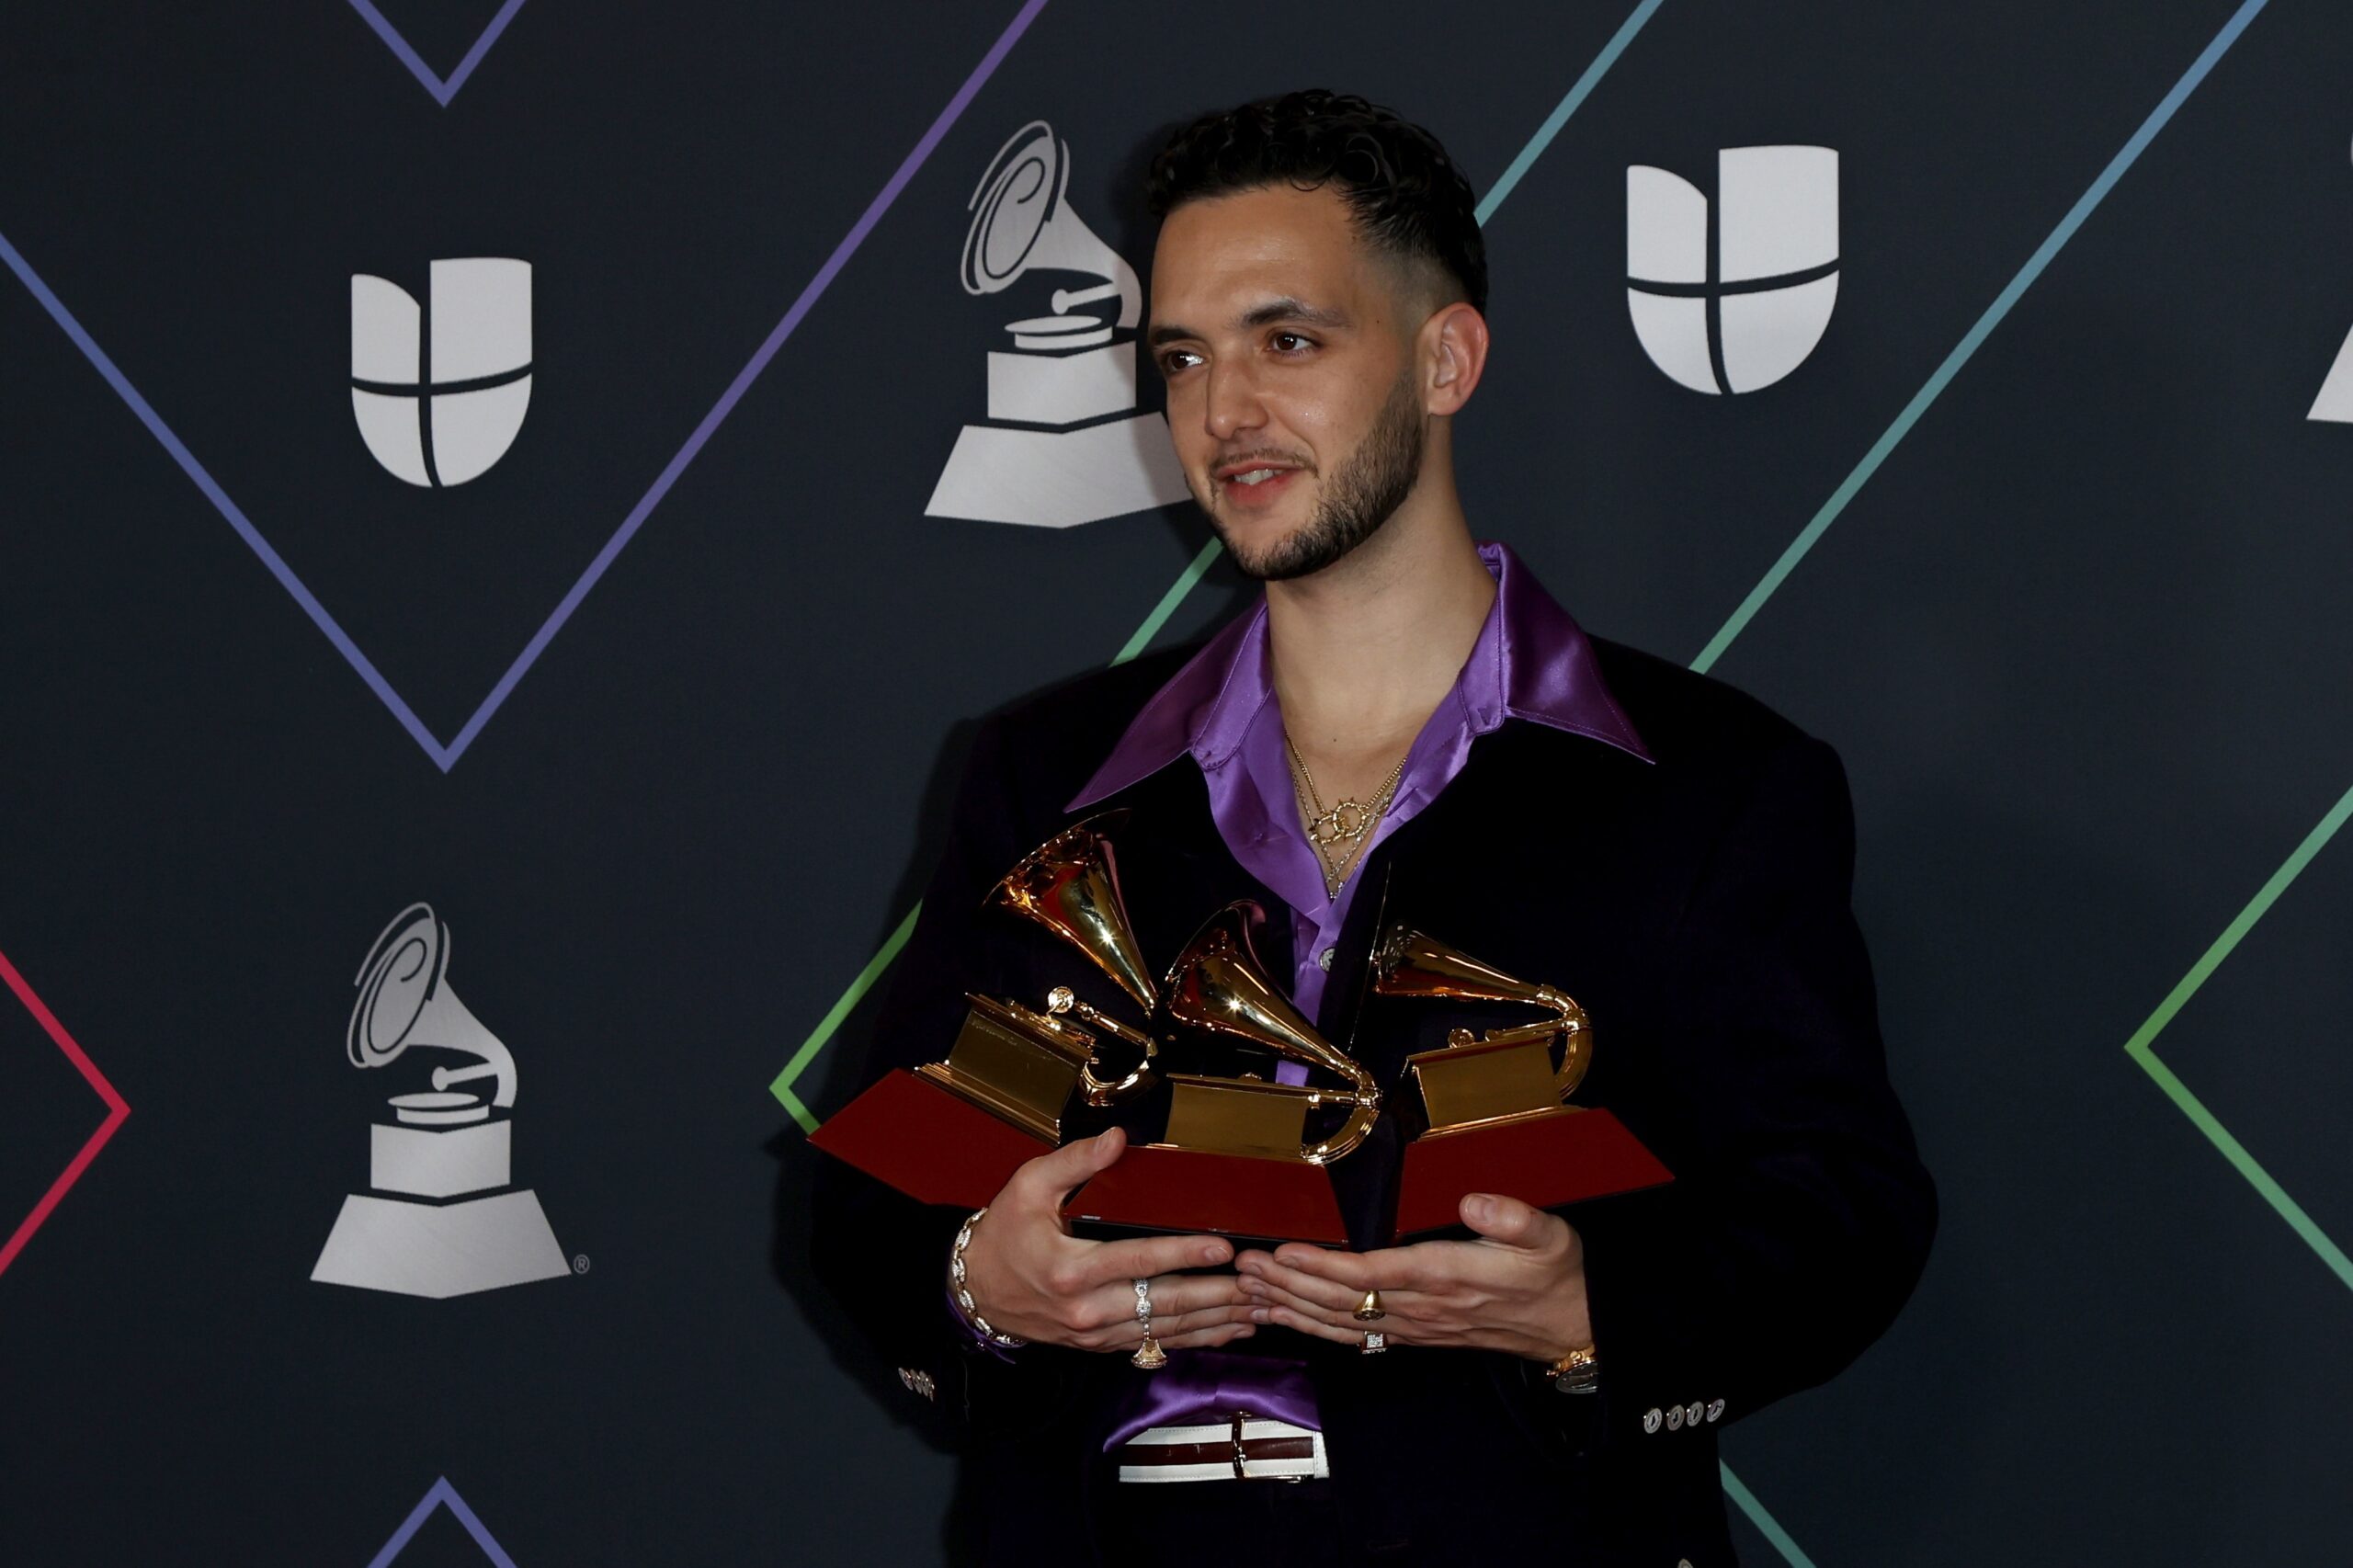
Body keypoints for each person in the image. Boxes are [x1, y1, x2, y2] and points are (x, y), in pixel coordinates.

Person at [811, 89, 1936, 1566]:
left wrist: (1592, 1308)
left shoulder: (1713, 785)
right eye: (1183, 358)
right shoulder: (1042, 775)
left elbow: (1838, 1213)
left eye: (1288, 341)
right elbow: (876, 1189)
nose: (1225, 411)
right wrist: (979, 1282)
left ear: (1445, 358)